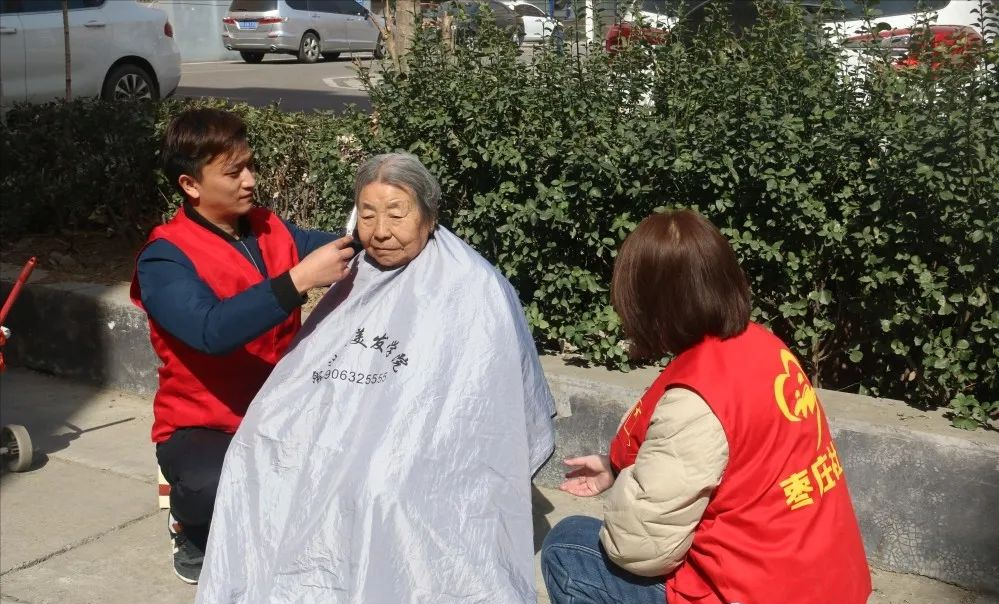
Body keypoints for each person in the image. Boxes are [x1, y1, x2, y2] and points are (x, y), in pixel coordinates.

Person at [195, 153, 556, 604]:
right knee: (260, 445)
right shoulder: (355, 271)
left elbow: (479, 402)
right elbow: (312, 369)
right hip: (346, 423)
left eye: (396, 214)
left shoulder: (472, 285)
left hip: (429, 442)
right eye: (367, 215)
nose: (380, 231)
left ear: (430, 216)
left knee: (377, 484)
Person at [540, 210, 872, 604]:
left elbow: (638, 548)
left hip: (754, 591)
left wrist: (630, 486)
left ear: (649, 306)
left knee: (569, 547)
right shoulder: (766, 347)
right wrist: (617, 467)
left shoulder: (694, 402)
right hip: (827, 582)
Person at [130, 108, 357, 585]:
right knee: (216, 485)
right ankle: (188, 523)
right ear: (191, 185)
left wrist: (378, 229)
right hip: (203, 425)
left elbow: (336, 248)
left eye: (250, 165)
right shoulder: (165, 257)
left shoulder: (269, 227)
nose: (250, 180)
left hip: (282, 411)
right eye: (234, 172)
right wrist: (297, 280)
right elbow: (210, 331)